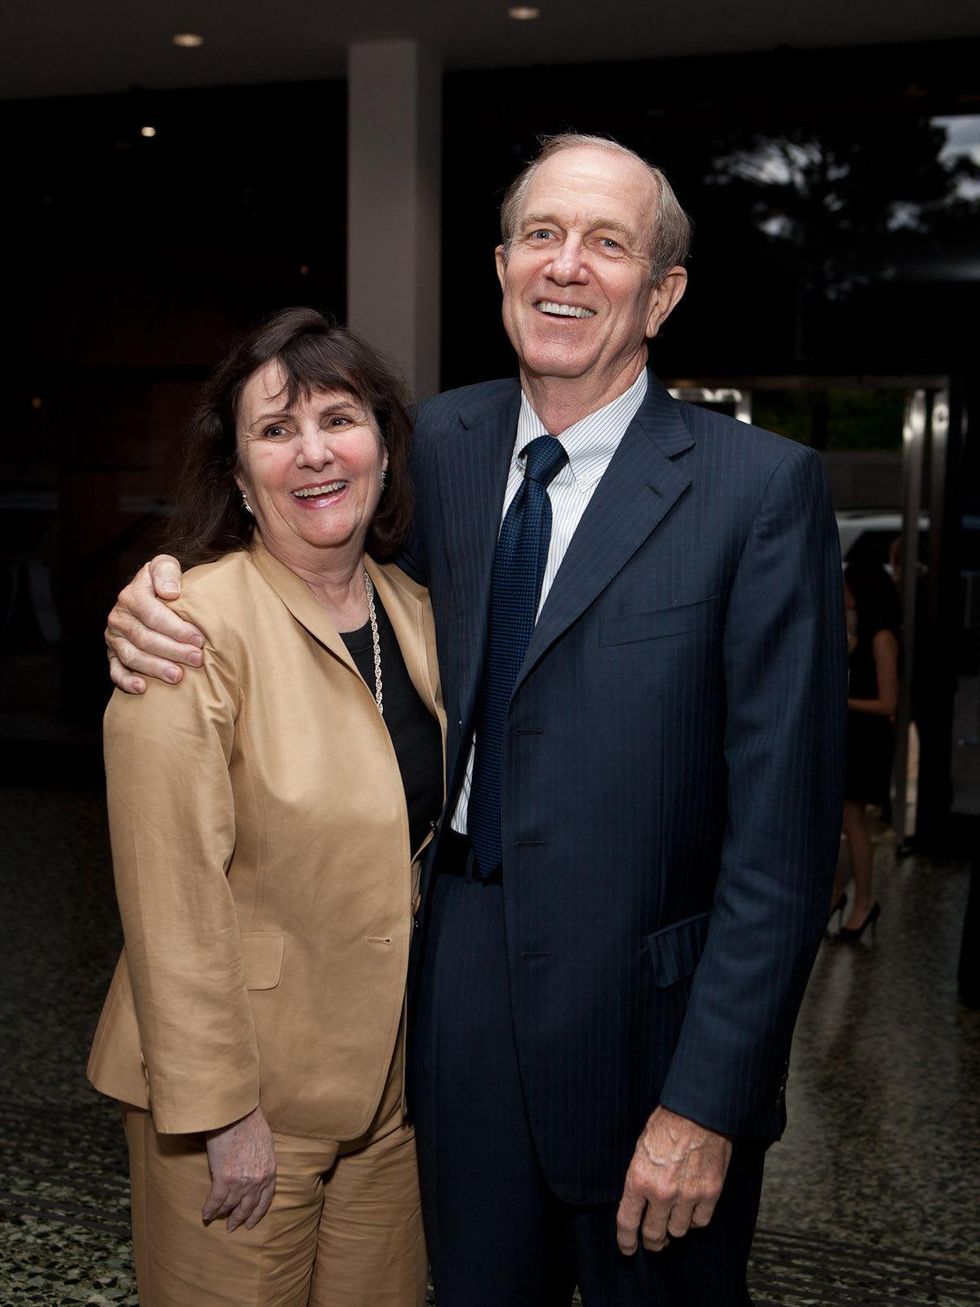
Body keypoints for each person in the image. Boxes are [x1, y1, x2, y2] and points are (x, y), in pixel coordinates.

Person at [105, 135, 846, 1306]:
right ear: (501, 267)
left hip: (646, 1038)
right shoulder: (431, 446)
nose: (567, 266)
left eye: (609, 244)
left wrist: (709, 1100)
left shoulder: (758, 491)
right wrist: (151, 591)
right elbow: (294, 558)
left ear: (662, 293)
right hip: (440, 1017)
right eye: (542, 235)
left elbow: (783, 847)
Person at [88, 308, 444, 1307]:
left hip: (387, 1098)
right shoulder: (186, 628)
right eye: (276, 429)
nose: (315, 451)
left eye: (338, 417)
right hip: (242, 1105)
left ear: (381, 442)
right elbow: (170, 897)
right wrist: (219, 1113)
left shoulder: (416, 616)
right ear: (240, 476)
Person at [831, 559, 900, 940]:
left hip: (869, 739)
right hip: (856, 736)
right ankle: (842, 896)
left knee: (853, 821)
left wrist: (844, 702)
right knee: (846, 820)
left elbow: (888, 703)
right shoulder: (867, 634)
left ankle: (863, 901)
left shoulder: (882, 639)